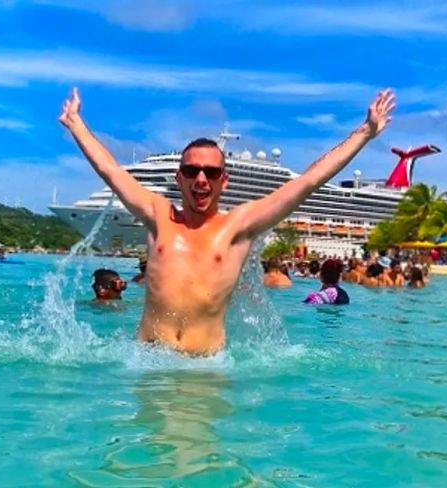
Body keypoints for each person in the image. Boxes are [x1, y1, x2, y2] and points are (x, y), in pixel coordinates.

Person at [59, 87, 395, 355]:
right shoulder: (159, 216)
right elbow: (111, 170)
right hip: (146, 361)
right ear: (179, 179)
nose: (201, 179)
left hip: (204, 370)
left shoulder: (237, 227)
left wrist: (364, 133)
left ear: (224, 180)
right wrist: (76, 124)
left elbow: (305, 183)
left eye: (211, 171)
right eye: (191, 171)